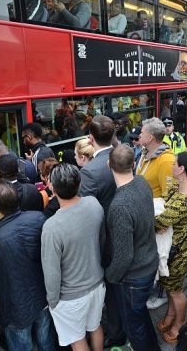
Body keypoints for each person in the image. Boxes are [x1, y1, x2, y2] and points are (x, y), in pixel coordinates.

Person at [41, 163, 106, 350]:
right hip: (97, 283)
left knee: (77, 339)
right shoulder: (94, 204)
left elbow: (51, 270)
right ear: (79, 184)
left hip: (70, 297)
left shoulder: (52, 226)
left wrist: (52, 301)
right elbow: (101, 241)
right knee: (95, 326)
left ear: (52, 186)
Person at [0, 181, 55, 351]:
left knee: (21, 346)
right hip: (44, 296)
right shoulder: (39, 218)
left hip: (16, 307)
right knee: (46, 341)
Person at [105, 145, 160, 351]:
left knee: (133, 326)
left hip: (133, 276)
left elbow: (123, 255)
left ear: (109, 164)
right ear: (134, 163)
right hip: (149, 263)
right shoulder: (142, 182)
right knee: (140, 316)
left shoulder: (119, 206)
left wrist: (110, 275)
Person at [76, 115, 122, 346]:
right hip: (124, 230)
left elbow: (85, 211)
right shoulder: (122, 156)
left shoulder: (90, 171)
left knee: (111, 289)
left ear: (91, 139)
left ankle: (114, 332)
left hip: (104, 237)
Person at [154, 152, 187, 344]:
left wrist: (160, 221)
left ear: (182, 169)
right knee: (170, 287)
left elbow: (159, 221)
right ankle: (169, 316)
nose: (172, 166)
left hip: (178, 253)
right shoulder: (179, 187)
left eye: (175, 164)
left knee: (176, 292)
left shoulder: (185, 200)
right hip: (176, 249)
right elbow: (165, 203)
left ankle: (179, 325)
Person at [136, 117, 176, 198]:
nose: (139, 135)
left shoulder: (166, 161)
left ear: (150, 138)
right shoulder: (145, 153)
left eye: (142, 133)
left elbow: (169, 196)